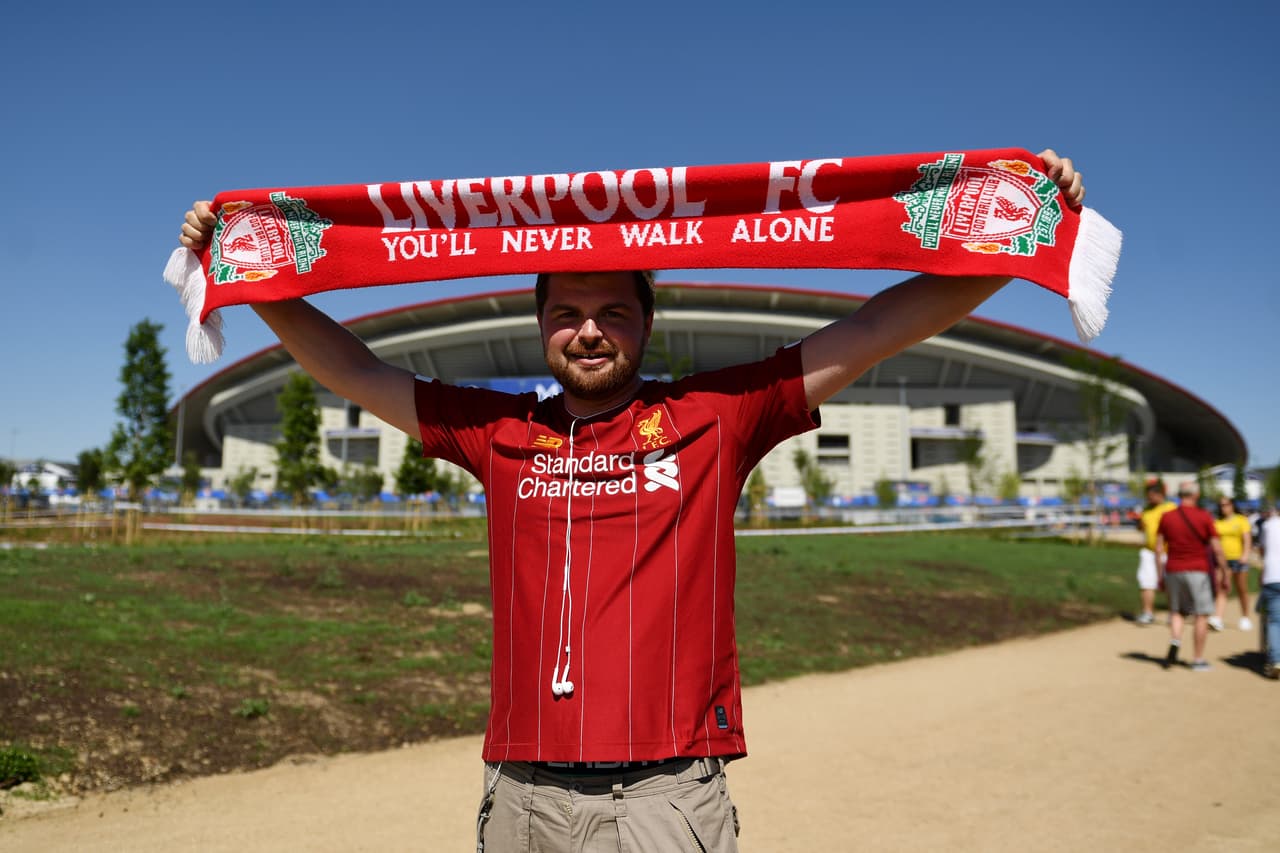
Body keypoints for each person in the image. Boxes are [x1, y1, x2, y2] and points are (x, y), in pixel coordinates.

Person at [179, 150, 1086, 852]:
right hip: (522, 797)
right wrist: (249, 273)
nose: (588, 331)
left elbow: (879, 324)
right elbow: (353, 368)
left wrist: (1018, 234)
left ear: (647, 324)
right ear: (539, 326)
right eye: (568, 312)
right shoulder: (496, 433)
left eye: (613, 312)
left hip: (662, 799)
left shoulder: (716, 416)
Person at [1155, 482, 1227, 671]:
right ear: (1196, 495)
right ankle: (1197, 659)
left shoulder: (1166, 517)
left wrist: (1159, 576)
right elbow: (1217, 549)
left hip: (1173, 569)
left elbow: (1158, 549)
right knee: (1201, 614)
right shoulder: (1204, 516)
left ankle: (1175, 640)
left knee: (1177, 611)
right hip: (1198, 569)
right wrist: (1225, 572)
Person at [1134, 480, 1176, 625]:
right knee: (1146, 582)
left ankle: (1173, 613)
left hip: (1168, 551)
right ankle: (1147, 612)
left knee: (1170, 583)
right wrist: (1138, 521)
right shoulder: (1146, 511)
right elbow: (1141, 529)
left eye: (1151, 495)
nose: (1149, 498)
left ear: (1160, 494)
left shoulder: (1170, 508)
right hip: (1150, 551)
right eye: (1148, 495)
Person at [1212, 496, 1253, 631]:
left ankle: (1245, 617)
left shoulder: (1241, 520)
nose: (1224, 507)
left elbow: (1247, 539)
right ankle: (1218, 618)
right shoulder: (1217, 522)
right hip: (1222, 560)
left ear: (1232, 505)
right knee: (1222, 588)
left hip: (1238, 558)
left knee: (1242, 589)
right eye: (1221, 505)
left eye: (1226, 504)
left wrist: (1245, 554)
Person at [1256, 501, 1280, 679]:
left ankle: (1276, 659)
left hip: (1272, 575)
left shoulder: (1268, 525)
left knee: (1274, 621)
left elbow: (1263, 551)